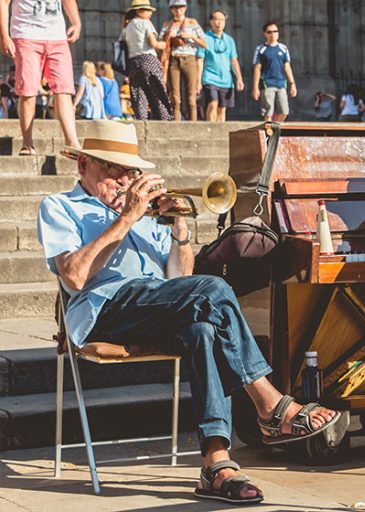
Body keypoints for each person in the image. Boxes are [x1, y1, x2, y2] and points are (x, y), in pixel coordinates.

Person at [37, 120, 341, 504]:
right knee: (213, 291)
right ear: (82, 166)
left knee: (203, 328)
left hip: (158, 304)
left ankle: (217, 463)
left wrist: (178, 226)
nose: (121, 180)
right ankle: (268, 404)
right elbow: (75, 277)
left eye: (128, 172)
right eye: (109, 170)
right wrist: (126, 218)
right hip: (104, 311)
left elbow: (181, 277)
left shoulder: (147, 215)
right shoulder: (60, 207)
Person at [0, 0, 81, 156]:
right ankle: (27, 143)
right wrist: (4, 35)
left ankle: (72, 143)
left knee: (64, 90)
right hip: (26, 35)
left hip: (58, 37)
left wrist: (76, 23)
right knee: (28, 91)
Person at [121, 0, 172, 121]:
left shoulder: (127, 27)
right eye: (147, 10)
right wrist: (165, 45)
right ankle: (164, 121)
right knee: (158, 92)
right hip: (148, 59)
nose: (150, 13)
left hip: (133, 62)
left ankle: (141, 121)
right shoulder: (145, 23)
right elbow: (153, 43)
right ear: (139, 11)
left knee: (139, 95)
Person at [160, 0, 206, 121]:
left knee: (191, 97)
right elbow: (161, 46)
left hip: (189, 59)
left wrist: (191, 36)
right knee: (175, 97)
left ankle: (193, 125)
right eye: (175, 8)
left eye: (181, 7)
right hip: (173, 60)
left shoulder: (192, 22)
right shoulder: (167, 24)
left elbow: (204, 44)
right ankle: (176, 124)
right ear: (171, 9)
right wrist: (168, 38)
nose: (178, 10)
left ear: (185, 8)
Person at [196, 9, 243, 122]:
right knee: (213, 104)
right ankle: (210, 131)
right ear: (211, 22)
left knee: (222, 108)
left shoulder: (229, 40)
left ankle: (220, 134)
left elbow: (233, 60)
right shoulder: (204, 38)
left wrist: (239, 78)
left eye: (221, 20)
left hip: (226, 80)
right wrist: (198, 81)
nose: (219, 22)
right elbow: (200, 61)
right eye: (216, 19)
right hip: (210, 78)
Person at [252, 21, 296, 122]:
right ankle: (268, 133)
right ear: (265, 34)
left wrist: (292, 83)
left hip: (281, 83)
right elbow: (257, 68)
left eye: (275, 31)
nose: (273, 34)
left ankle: (276, 128)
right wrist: (255, 87)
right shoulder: (261, 49)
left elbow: (287, 67)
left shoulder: (283, 48)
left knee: (284, 111)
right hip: (267, 83)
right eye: (270, 32)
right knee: (268, 112)